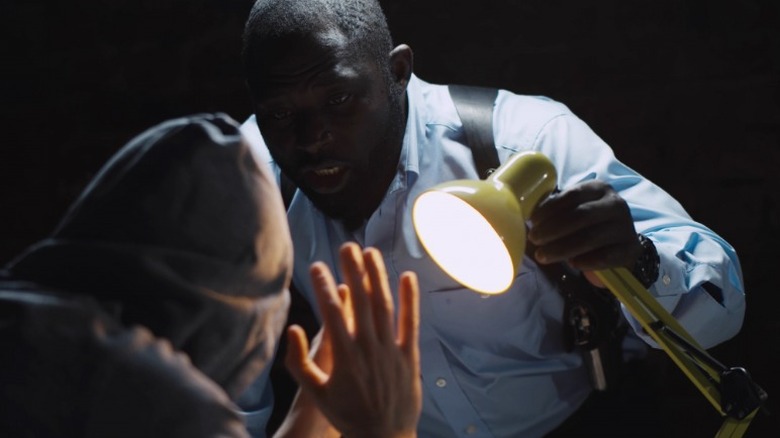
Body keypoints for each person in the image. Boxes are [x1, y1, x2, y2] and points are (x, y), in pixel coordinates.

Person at [239, 0, 747, 437]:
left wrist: (638, 260)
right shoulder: (252, 185)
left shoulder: (522, 140)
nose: (310, 137)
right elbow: (227, 399)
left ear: (398, 72)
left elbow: (721, 303)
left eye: (339, 99)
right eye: (281, 114)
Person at [0, 113, 421, 438]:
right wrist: (387, 428)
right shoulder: (148, 402)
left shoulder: (31, 329)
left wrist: (313, 411)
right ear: (239, 320)